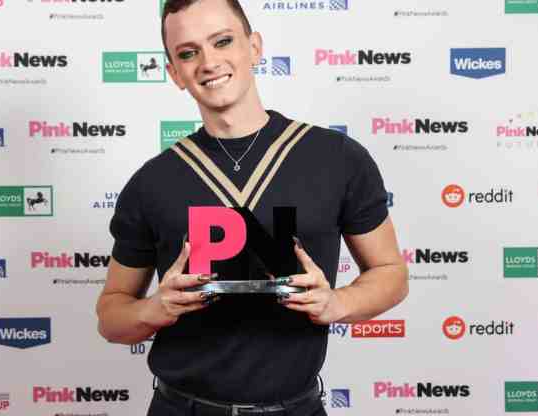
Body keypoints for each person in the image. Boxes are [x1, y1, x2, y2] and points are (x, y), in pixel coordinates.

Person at [95, 1, 409, 414]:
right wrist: (157, 308)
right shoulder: (152, 182)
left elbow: (392, 274)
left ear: (254, 47)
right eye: (188, 53)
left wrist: (336, 303)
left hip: (295, 407)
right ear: (174, 72)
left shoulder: (337, 158)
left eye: (222, 41)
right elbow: (111, 316)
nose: (209, 62)